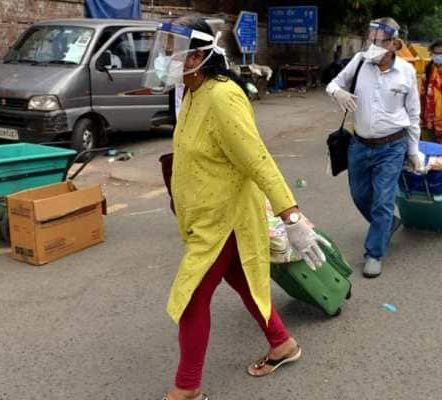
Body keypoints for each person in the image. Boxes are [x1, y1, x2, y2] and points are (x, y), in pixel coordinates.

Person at [142, 15, 331, 400]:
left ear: (196, 56)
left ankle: (186, 389)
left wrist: (290, 214)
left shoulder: (222, 96)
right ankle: (282, 343)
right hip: (204, 217)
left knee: (192, 297)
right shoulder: (192, 91)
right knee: (242, 281)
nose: (165, 58)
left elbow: (257, 159)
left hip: (224, 219)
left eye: (172, 52)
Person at [326, 17, 422, 278]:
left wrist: (412, 151)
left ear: (393, 44)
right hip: (359, 144)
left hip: (392, 145)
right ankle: (388, 224)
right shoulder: (359, 62)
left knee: (382, 201)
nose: (374, 45)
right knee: (360, 195)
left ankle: (374, 253)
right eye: (372, 39)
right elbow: (332, 84)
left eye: (380, 41)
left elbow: (413, 114)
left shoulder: (406, 72)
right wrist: (339, 94)